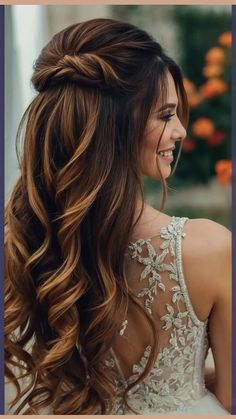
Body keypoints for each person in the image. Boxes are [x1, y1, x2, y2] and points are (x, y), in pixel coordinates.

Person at [5, 18, 231, 415]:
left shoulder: (23, 243)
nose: (180, 130)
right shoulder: (210, 247)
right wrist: (186, 379)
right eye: (165, 115)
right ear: (117, 125)